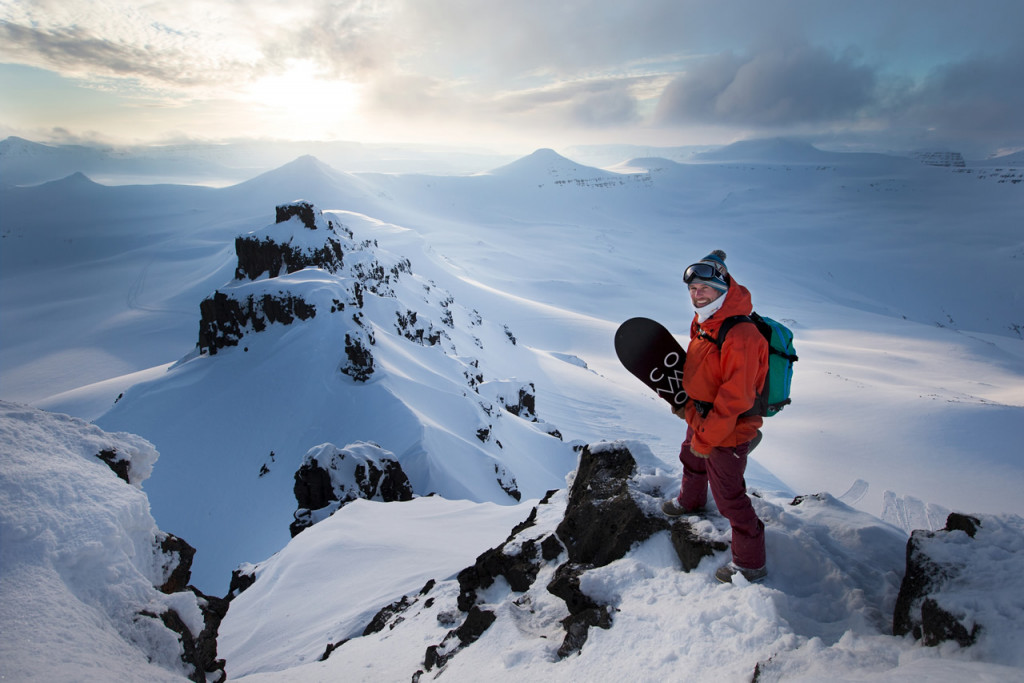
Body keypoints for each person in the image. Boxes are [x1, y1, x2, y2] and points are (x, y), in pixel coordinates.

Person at [661, 250, 770, 584]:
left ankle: (750, 563)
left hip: (729, 430)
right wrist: (688, 406)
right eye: (693, 288)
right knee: (690, 459)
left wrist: (707, 438)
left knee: (729, 496)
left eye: (705, 287)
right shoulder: (705, 321)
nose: (697, 294)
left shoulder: (741, 334)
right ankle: (690, 501)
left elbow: (736, 397)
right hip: (702, 417)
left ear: (723, 286)